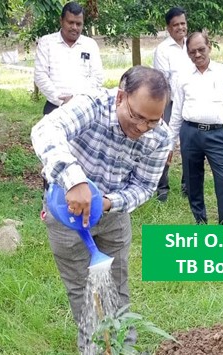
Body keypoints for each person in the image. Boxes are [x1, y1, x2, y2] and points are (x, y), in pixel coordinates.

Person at [31, 66, 173, 353]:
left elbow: (144, 186)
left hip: (113, 218)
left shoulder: (160, 137)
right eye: (136, 117)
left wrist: (105, 203)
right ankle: (94, 349)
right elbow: (45, 129)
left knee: (116, 289)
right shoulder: (92, 105)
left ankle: (122, 349)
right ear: (121, 97)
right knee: (83, 293)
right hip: (65, 216)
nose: (142, 128)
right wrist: (75, 180)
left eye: (152, 121)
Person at [169, 32, 223, 225]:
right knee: (193, 180)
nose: (197, 55)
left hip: (217, 133)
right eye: (192, 52)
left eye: (201, 49)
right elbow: (176, 112)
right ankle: (200, 220)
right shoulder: (182, 76)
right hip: (190, 133)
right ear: (187, 54)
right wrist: (170, 144)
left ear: (209, 46)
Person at [33, 1, 104, 115]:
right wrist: (60, 100)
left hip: (84, 108)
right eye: (70, 22)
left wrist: (77, 99)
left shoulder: (90, 45)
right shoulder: (46, 43)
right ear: (61, 21)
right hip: (55, 107)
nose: (74, 27)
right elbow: (40, 75)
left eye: (78, 24)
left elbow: (98, 77)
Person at [152, 6, 190, 202]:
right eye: (176, 25)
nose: (180, 28)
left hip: (190, 103)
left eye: (183, 23)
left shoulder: (192, 45)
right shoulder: (163, 50)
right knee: (165, 143)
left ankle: (188, 185)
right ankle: (162, 188)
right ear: (168, 27)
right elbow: (162, 82)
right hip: (169, 104)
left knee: (190, 145)